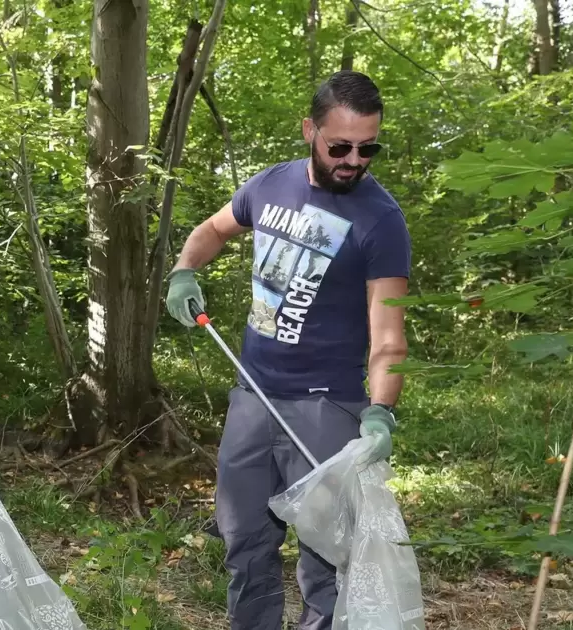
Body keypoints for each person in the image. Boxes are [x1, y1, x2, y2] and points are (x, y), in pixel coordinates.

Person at [164, 71, 411, 630]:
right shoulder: (268, 187)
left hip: (327, 406)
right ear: (310, 131)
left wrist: (380, 411)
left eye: (367, 147)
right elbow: (211, 230)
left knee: (327, 557)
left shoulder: (380, 220)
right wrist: (183, 271)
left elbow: (389, 335)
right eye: (340, 146)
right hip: (252, 395)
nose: (354, 159)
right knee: (243, 540)